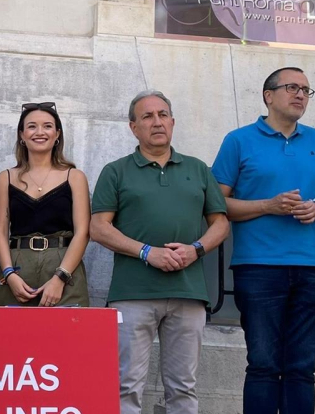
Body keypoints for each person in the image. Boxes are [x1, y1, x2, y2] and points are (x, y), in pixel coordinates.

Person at [211, 67, 315, 413]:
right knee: (264, 364)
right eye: (292, 87)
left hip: (314, 267)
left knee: (302, 367)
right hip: (257, 266)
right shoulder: (238, 140)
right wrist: (267, 205)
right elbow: (214, 203)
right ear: (268, 95)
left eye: (306, 90)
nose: (300, 95)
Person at [90, 90, 230, 414]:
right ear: (133, 127)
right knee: (125, 385)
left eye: (163, 114)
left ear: (173, 122)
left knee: (183, 388)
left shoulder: (197, 169)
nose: (157, 122)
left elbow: (220, 224)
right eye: (147, 116)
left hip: (189, 292)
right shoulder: (116, 171)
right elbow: (98, 228)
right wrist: (146, 252)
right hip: (133, 293)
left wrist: (196, 250)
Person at [0, 102, 91, 307]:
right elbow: (0, 232)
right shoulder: (6, 178)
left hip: (64, 269)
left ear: (57, 134)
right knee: (12, 336)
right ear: (21, 135)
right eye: (31, 126)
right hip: (17, 269)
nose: (40, 132)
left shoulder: (74, 177)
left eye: (47, 126)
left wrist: (60, 278)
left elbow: (83, 232)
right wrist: (9, 274)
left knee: (66, 336)